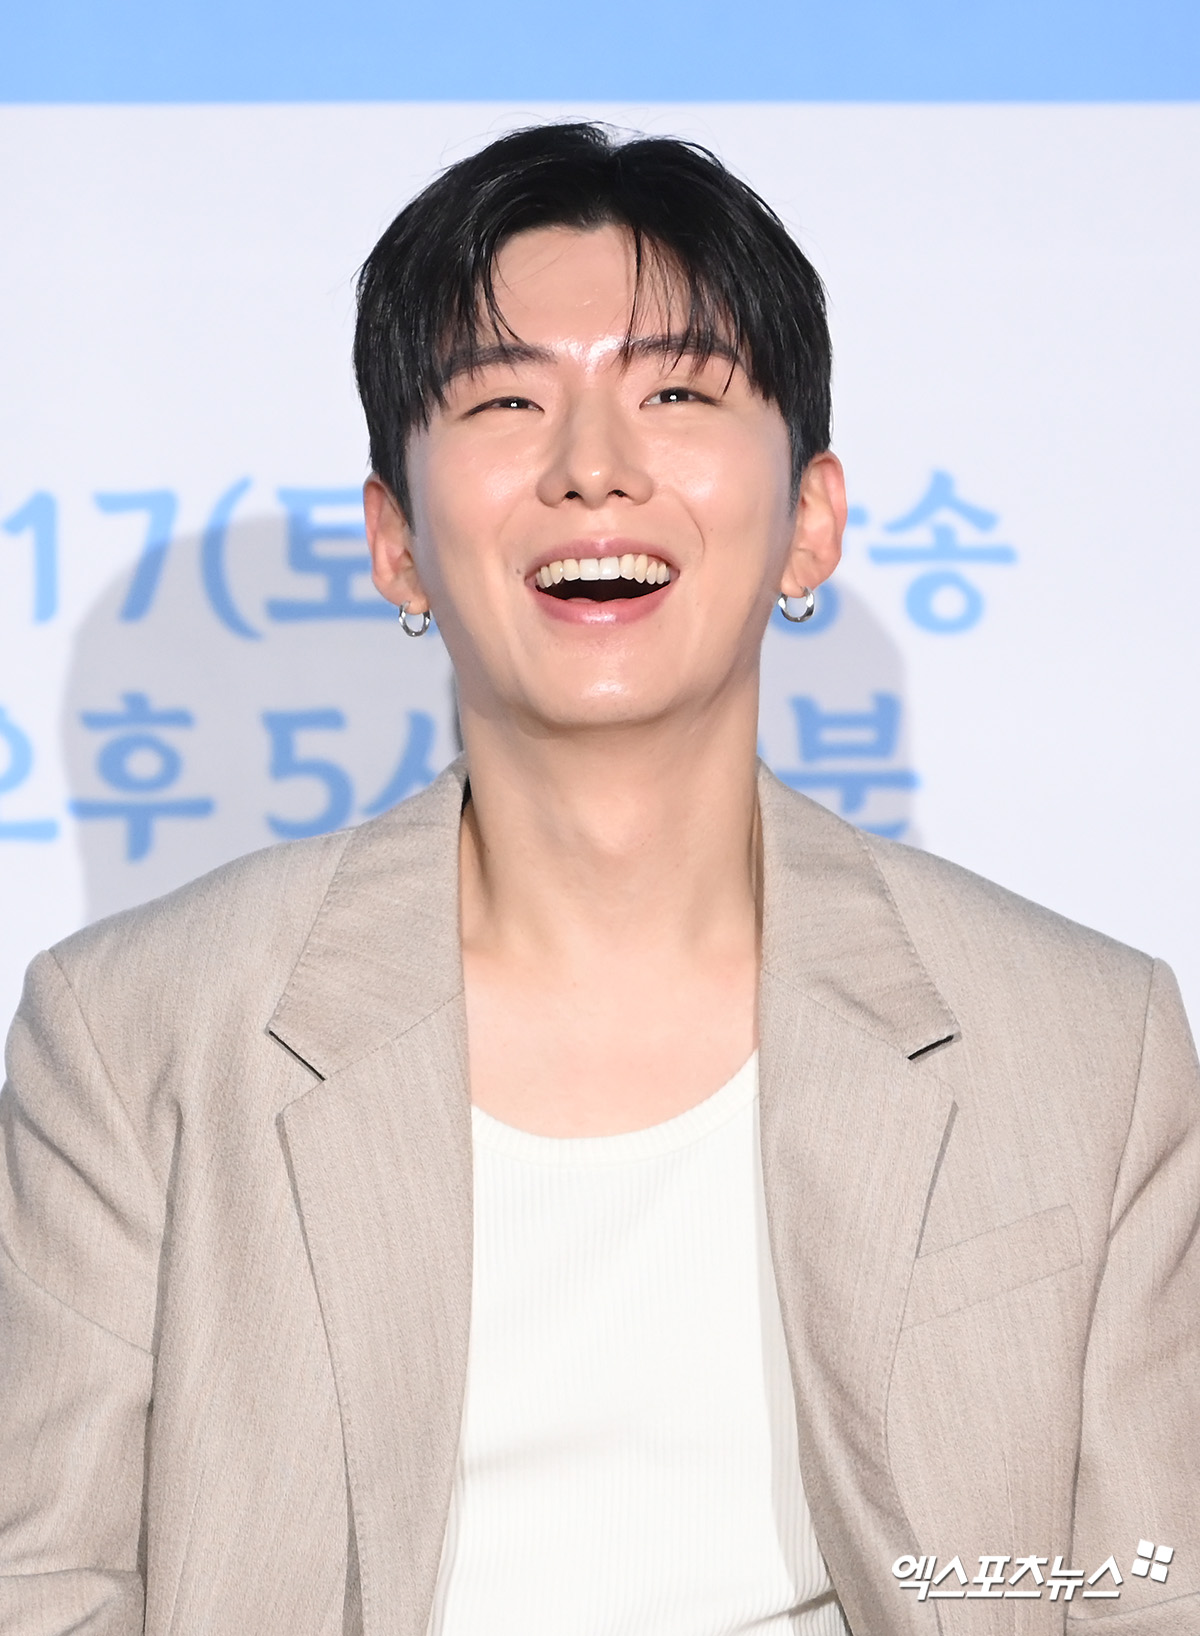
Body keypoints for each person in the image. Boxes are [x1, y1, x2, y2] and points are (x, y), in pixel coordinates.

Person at [0, 122, 1196, 1636]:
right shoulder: (133, 1036)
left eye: (677, 392)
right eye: (507, 399)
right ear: (395, 543)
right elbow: (41, 1589)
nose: (593, 470)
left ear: (812, 519)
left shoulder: (1087, 1044)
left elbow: (1143, 1592)